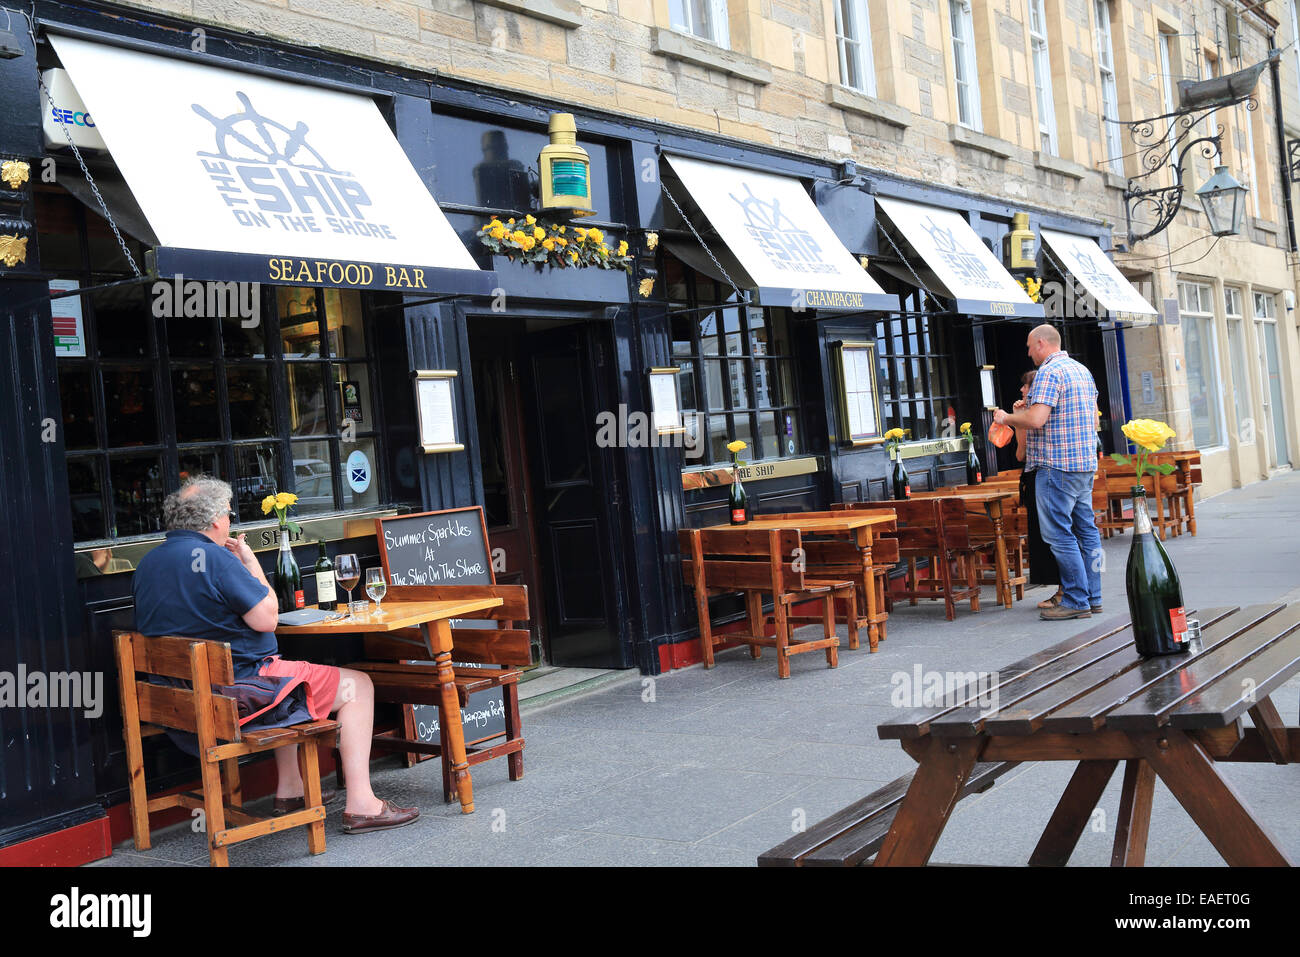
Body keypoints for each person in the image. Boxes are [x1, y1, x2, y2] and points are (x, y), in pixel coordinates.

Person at [133, 476, 419, 833]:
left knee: (286, 672)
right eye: (228, 512)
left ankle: (291, 790)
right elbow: (268, 619)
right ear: (213, 521)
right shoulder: (215, 558)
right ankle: (363, 803)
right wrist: (251, 564)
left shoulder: (148, 563)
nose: (230, 519)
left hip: (180, 700)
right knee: (358, 685)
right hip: (237, 698)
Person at [993, 324, 1102, 620]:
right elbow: (1092, 419)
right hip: (1083, 463)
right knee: (1087, 532)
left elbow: (1037, 419)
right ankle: (1093, 596)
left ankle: (1077, 600)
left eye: (1030, 347)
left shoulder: (1049, 373)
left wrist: (1007, 417)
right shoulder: (1082, 371)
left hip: (1056, 465)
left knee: (1059, 535)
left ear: (1041, 343)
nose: (1028, 353)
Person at [1012, 369, 1062, 608]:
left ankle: (1065, 591)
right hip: (1032, 478)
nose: (1022, 390)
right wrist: (1019, 420)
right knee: (1042, 537)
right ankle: (1061, 590)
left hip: (1050, 475)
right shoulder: (1028, 415)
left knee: (1057, 534)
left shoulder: (1047, 414)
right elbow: (1020, 454)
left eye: (1026, 386)